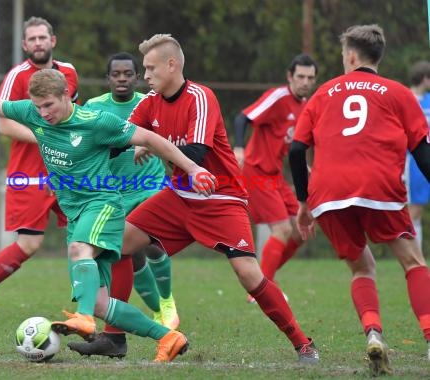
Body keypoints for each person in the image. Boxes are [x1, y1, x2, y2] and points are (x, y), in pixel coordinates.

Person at [0, 68, 217, 362]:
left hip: (103, 204)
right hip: (76, 214)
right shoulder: (33, 114)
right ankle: (167, 337)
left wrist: (193, 168)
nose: (43, 113)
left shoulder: (97, 122)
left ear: (66, 95)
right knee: (100, 302)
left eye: (49, 105)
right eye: (37, 107)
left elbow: (148, 138)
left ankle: (83, 317)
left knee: (80, 252)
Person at [68, 34, 319, 364]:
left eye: (150, 68)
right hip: (177, 198)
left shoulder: (201, 97)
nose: (145, 76)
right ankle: (114, 338)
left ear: (172, 65)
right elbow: (118, 141)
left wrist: (150, 143)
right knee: (117, 245)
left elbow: (196, 154)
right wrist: (78, 140)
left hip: (220, 198)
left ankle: (302, 343)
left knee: (249, 275)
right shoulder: (150, 102)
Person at [289, 24, 430, 376]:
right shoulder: (398, 93)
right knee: (413, 262)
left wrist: (304, 203)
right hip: (379, 186)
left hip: (328, 194)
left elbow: (296, 151)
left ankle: (373, 333)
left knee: (362, 268)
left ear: (350, 55)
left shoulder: (323, 93)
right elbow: (423, 152)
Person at [0, 17, 79, 320]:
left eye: (43, 37)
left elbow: (76, 114)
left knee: (85, 237)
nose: (38, 43)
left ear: (53, 40)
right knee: (29, 243)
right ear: (25, 45)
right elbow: (5, 126)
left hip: (66, 172)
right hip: (30, 175)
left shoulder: (69, 73)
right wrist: (47, 138)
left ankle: (91, 307)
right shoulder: (17, 77)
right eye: (32, 39)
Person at [67, 52, 179, 358]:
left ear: (136, 76)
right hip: (114, 192)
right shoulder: (95, 108)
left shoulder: (150, 103)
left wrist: (151, 145)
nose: (121, 78)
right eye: (115, 74)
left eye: (127, 73)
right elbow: (86, 145)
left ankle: (166, 303)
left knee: (153, 244)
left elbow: (168, 136)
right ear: (107, 79)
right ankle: (151, 313)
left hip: (149, 186)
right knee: (127, 255)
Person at [233, 54, 318, 303]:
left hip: (275, 176)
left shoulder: (306, 106)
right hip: (255, 172)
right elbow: (242, 118)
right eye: (300, 76)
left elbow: (295, 148)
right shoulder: (278, 96)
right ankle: (260, 290)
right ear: (289, 77)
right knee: (281, 230)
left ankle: (261, 278)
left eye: (310, 77)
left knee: (302, 230)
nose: (305, 82)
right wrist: (239, 148)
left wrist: (307, 167)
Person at [405, 60, 430, 249]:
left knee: (418, 210)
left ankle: (418, 256)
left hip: (426, 159)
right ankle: (415, 258)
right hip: (412, 162)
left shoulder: (429, 100)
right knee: (413, 211)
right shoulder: (405, 98)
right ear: (425, 79)